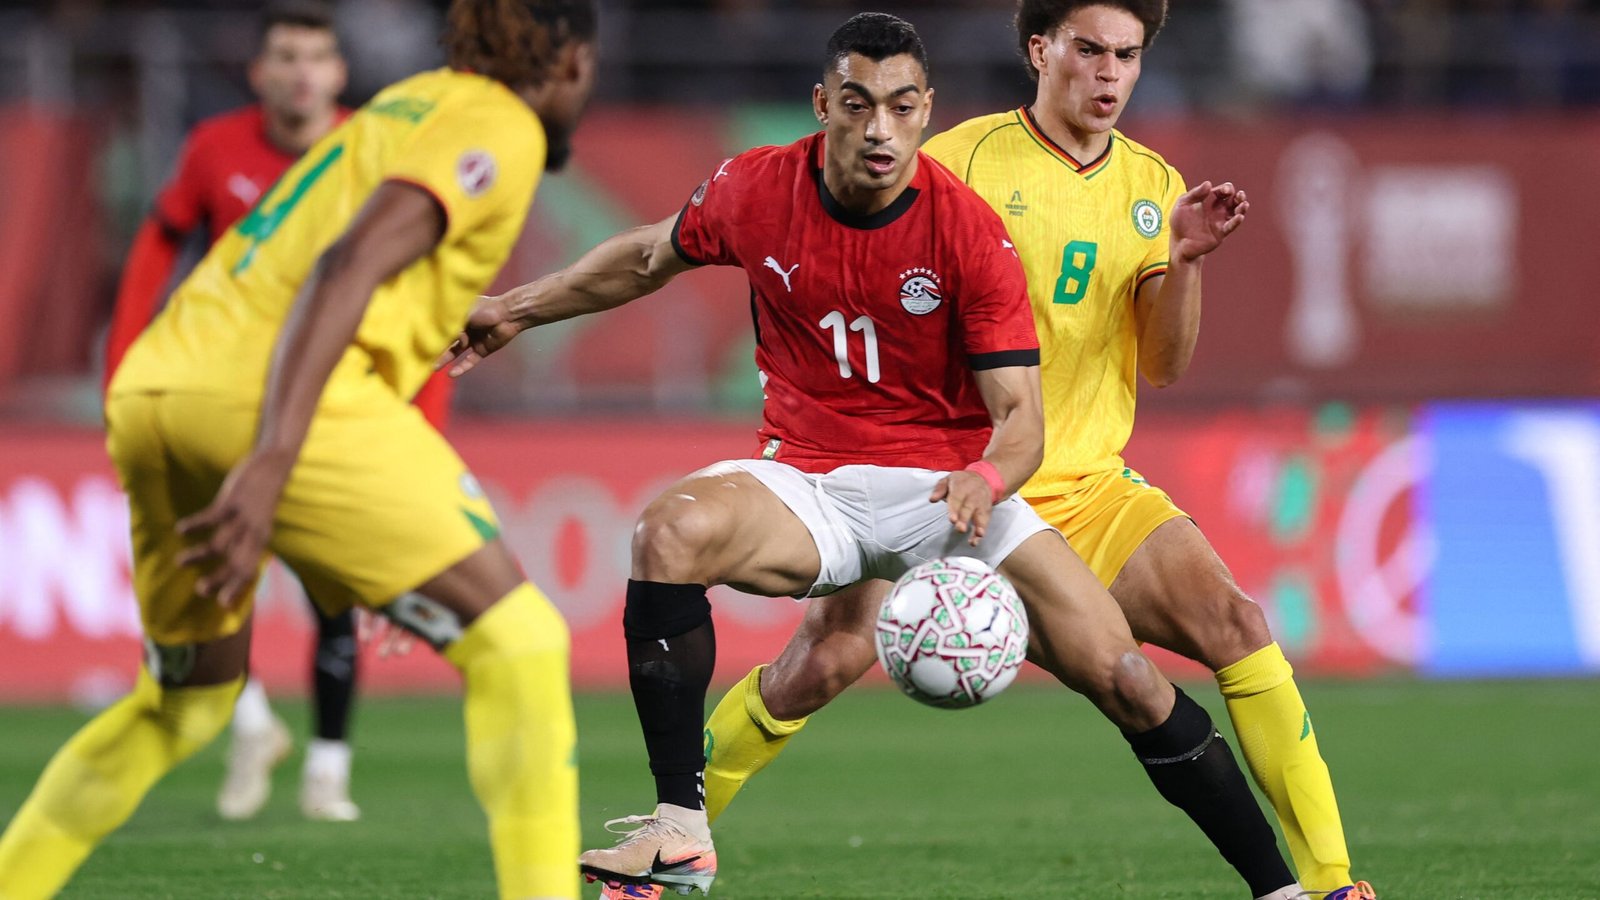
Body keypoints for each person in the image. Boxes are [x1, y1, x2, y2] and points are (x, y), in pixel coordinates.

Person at [444, 13, 1305, 899]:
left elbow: (1021, 419)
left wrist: (986, 477)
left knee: (1126, 678)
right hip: (808, 481)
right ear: (823, 106)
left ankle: (1281, 888)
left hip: (943, 492)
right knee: (667, 533)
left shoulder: (968, 233)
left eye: (900, 106)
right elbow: (645, 258)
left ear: (926, 110)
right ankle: (679, 830)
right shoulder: (756, 187)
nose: (879, 129)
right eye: (857, 105)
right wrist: (516, 308)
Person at [695, 2, 1378, 899]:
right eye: (1088, 49)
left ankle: (1331, 883)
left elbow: (1163, 365)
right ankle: (672, 833)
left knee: (1237, 625)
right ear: (1039, 50)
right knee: (819, 664)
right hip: (947, 486)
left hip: (1089, 488)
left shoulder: (1152, 183)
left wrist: (1186, 261)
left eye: (1127, 54)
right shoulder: (960, 161)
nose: (1108, 73)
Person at [0, 1, 597, 897]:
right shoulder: (502, 124)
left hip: (160, 391)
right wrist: (273, 457)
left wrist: (439, 312)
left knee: (186, 703)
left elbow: (310, 247)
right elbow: (349, 262)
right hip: (278, 402)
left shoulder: (408, 102)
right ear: (572, 61)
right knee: (522, 644)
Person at [101, 0, 429, 826]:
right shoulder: (215, 148)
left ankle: (327, 769)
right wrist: (125, 363)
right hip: (226, 395)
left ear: (339, 73)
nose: (301, 73)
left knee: (333, 589)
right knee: (218, 574)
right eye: (285, 57)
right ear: (258, 73)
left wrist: (418, 416)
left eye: (315, 57)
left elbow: (414, 289)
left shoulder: (374, 149)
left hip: (333, 397)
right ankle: (251, 726)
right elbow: (158, 242)